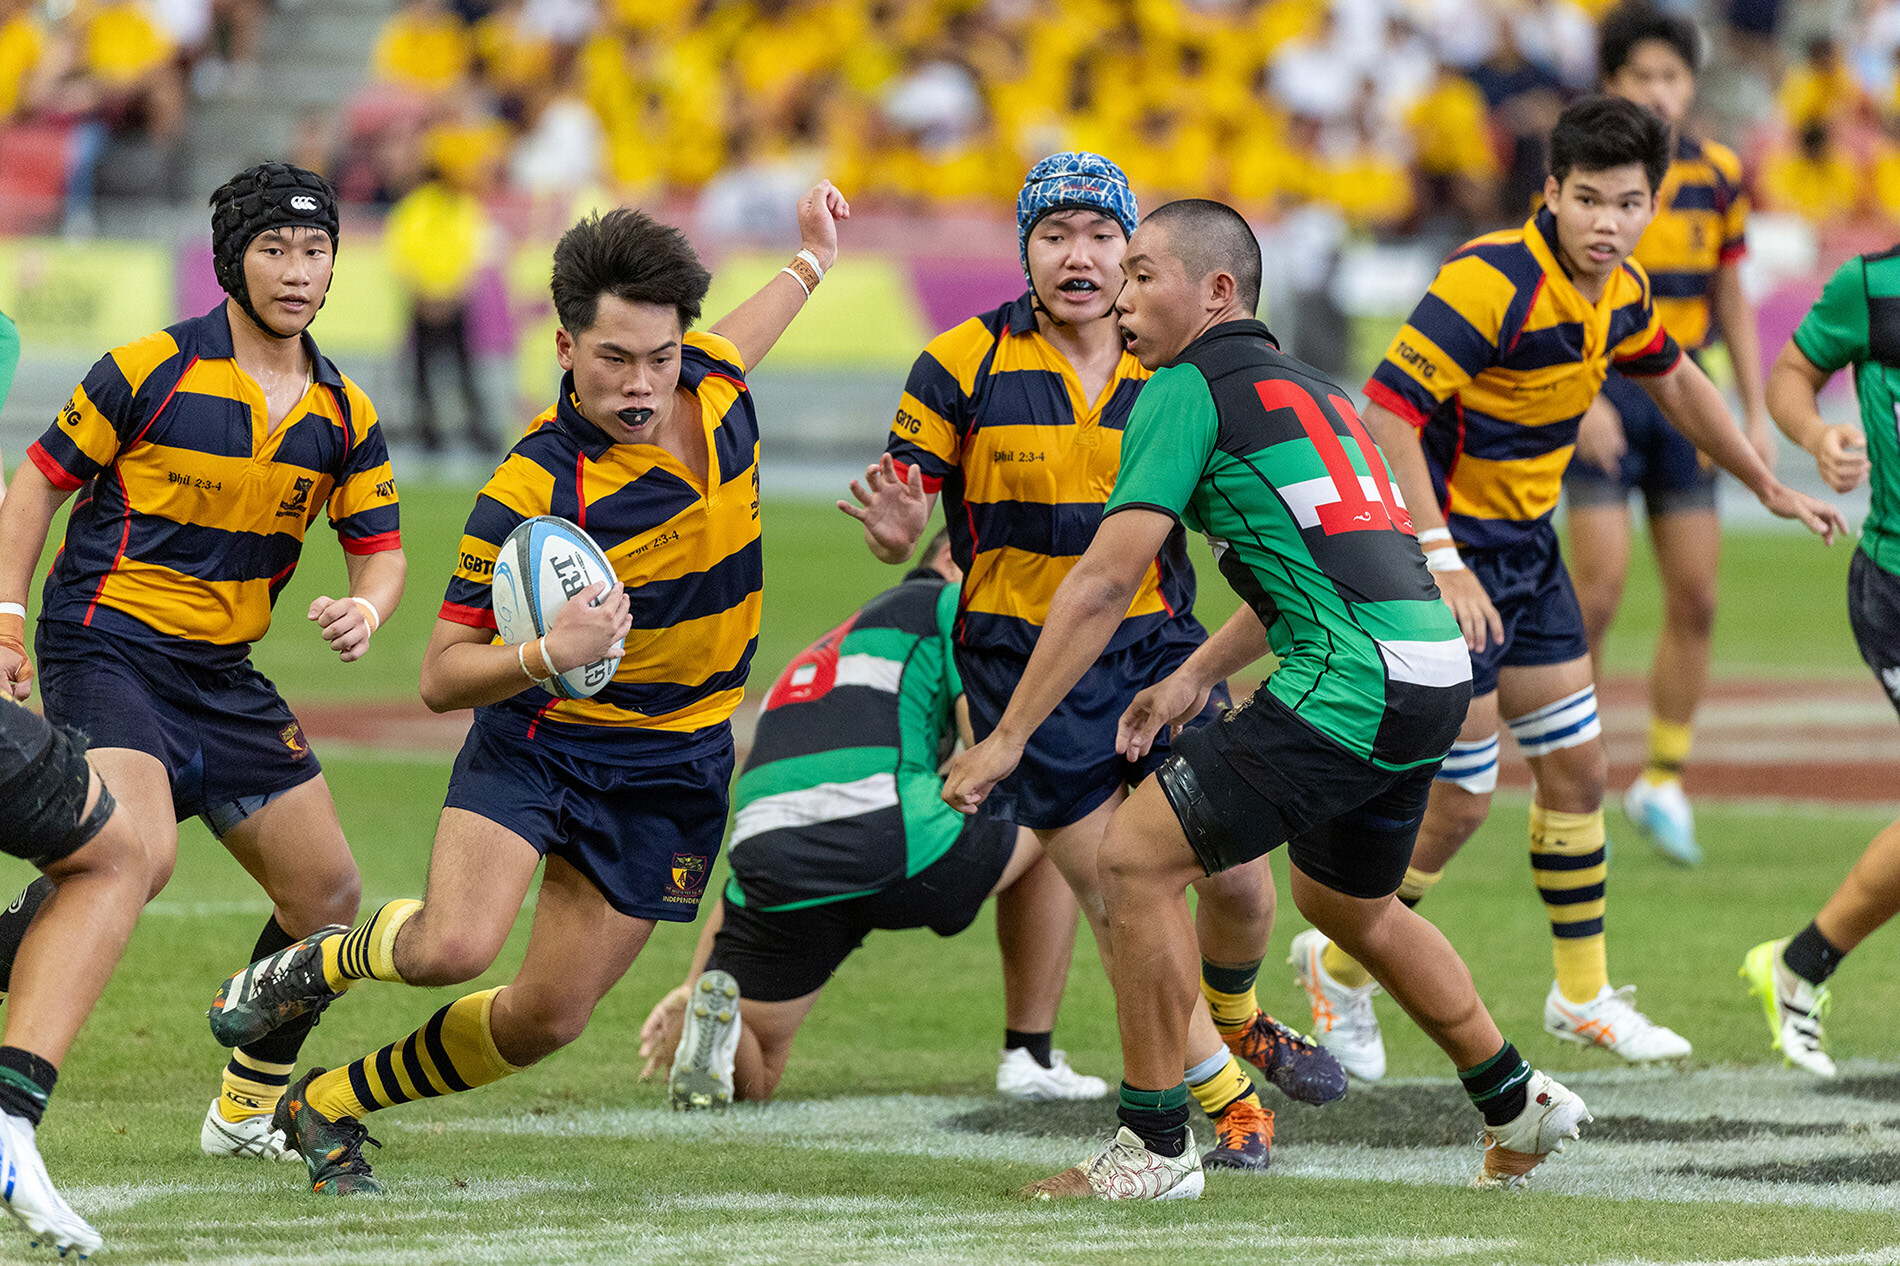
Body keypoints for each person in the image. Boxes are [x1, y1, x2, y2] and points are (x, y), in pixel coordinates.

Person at [205, 183, 849, 1197]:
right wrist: (553, 650)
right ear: (562, 347)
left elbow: (755, 318)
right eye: (612, 360)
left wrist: (812, 258)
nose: (640, 385)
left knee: (546, 1020)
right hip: (543, 744)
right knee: (452, 946)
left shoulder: (714, 377)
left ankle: (330, 1101)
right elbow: (438, 677)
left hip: (678, 761)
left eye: (660, 356)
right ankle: (311, 967)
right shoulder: (528, 490)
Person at [943, 198, 1590, 1201]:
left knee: (1131, 857)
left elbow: (1105, 581)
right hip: (1429, 671)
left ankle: (1152, 1149)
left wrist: (1005, 739)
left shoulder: (1180, 389)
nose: (1120, 291)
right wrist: (1196, 674)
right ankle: (1517, 1104)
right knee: (1345, 904)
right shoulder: (1314, 391)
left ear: (1215, 291)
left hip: (1355, 676)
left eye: (1144, 272)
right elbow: (1310, 565)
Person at [1302, 96, 1845, 1083]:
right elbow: (1383, 411)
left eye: (1626, 202)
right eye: (1586, 198)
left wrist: (1765, 480)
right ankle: (1339, 964)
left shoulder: (1622, 289)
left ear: (1650, 206)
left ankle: (1581, 993)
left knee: (1578, 770)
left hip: (1522, 553)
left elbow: (1677, 380)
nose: (1606, 220)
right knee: (1462, 804)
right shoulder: (1488, 280)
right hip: (1441, 557)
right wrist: (1439, 553)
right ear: (1549, 193)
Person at [842, 152, 1343, 1174]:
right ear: (1024, 249)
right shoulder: (959, 362)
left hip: (1157, 648)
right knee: (1123, 900)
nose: (1079, 257)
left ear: (1133, 252)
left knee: (1242, 885)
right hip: (1022, 664)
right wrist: (895, 532)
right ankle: (1226, 1096)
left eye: (1101, 237)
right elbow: (902, 520)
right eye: (1054, 235)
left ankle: (1236, 1015)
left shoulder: (1169, 364)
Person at [0, 163, 406, 1162]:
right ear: (233, 259)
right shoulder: (146, 369)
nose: (298, 271)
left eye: (315, 251)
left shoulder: (343, 413)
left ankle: (241, 1113)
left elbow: (382, 550)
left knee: (327, 897)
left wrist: (366, 605)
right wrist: (7, 617)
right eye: (275, 249)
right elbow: (37, 486)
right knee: (140, 856)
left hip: (223, 674)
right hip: (108, 646)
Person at [636, 530, 1108, 1105]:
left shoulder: (827, 648)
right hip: (895, 837)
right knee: (1055, 796)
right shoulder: (960, 607)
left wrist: (692, 986)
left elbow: (768, 835)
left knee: (761, 1064)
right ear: (952, 560)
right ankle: (1029, 1056)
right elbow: (987, 745)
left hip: (770, 859)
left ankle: (723, 1031)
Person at [1562, 4, 1775, 867]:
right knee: (1600, 591)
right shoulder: (1582, 175)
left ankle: (1664, 779)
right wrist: (1582, 399)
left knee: (1699, 596)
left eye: (1673, 77)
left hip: (1683, 394)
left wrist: (1755, 406)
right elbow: (1551, 289)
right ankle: (1571, 762)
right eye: (1642, 76)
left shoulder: (1718, 175)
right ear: (1613, 84)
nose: (1660, 92)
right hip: (1605, 386)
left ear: (1692, 85)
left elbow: (1731, 295)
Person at [1748, 243, 1900, 1074]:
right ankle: (1799, 966)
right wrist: (1817, 434)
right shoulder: (1871, 285)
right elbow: (1790, 376)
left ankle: (1799, 965)